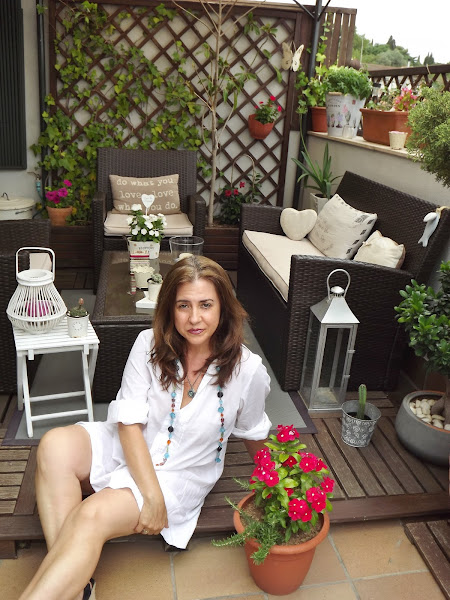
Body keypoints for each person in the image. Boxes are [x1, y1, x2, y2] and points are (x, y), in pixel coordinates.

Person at [20, 256, 271, 600]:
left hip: (178, 474)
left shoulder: (248, 371)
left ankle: (66, 581)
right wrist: (149, 497)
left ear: (223, 308)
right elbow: (128, 424)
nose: (194, 318)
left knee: (91, 515)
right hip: (129, 444)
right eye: (183, 305)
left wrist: (279, 487)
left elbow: (254, 431)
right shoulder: (148, 344)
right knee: (53, 445)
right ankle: (77, 587)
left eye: (205, 305)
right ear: (169, 308)